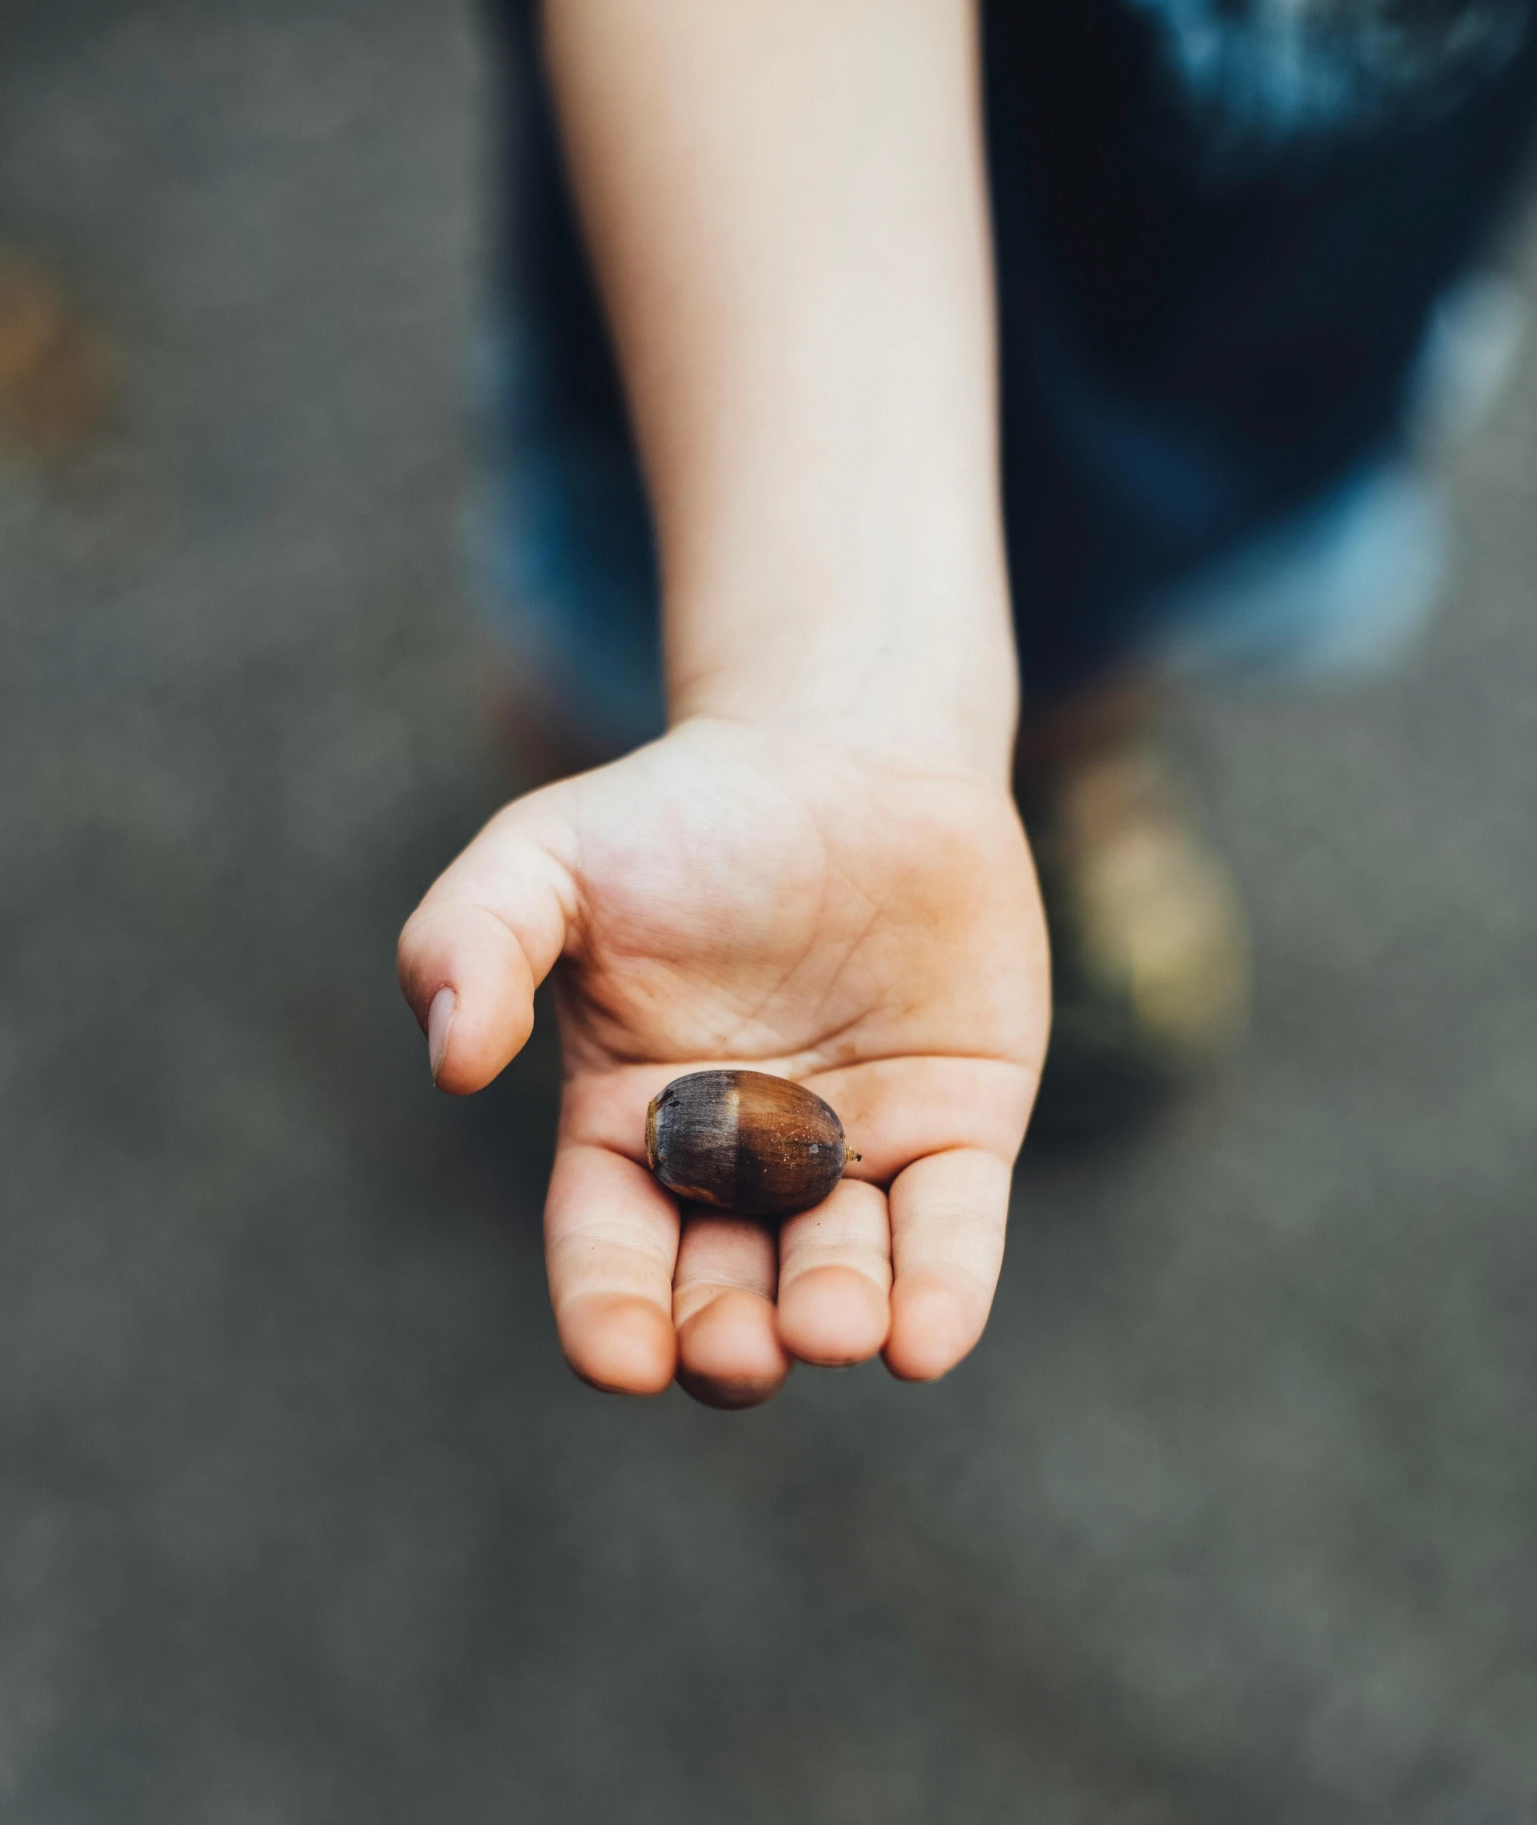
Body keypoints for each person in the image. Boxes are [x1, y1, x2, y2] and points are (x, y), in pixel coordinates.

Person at [397, 0, 1537, 1410]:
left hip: (1309, 306)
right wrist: (821, 688)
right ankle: (647, 832)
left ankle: (1049, 764)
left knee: (1135, 608)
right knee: (627, 671)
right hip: (761, 378)